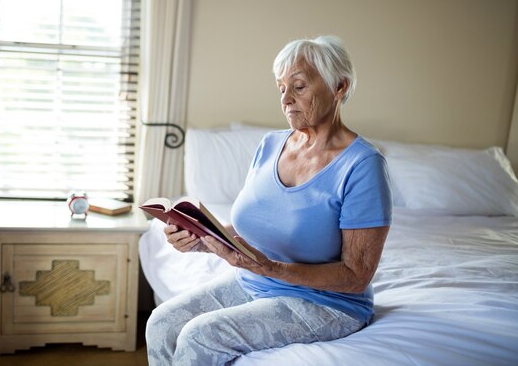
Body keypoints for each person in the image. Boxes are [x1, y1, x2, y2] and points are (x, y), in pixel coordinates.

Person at [146, 35, 392, 365]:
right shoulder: (270, 145)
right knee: (161, 324)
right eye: (281, 88)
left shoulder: (362, 166)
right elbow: (253, 230)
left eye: (299, 86)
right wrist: (200, 240)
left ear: (340, 87)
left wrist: (271, 268)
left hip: (326, 302)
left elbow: (356, 275)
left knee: (199, 336)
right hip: (256, 282)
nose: (286, 99)